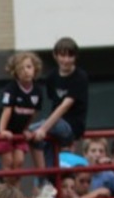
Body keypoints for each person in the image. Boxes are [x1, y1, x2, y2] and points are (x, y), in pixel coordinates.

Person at [31, 37, 88, 179]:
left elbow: (65, 106)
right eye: (62, 55)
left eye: (70, 56)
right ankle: (45, 180)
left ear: (75, 57)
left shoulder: (80, 77)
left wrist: (43, 129)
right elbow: (54, 102)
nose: (66, 60)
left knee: (32, 131)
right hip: (55, 125)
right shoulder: (52, 77)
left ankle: (43, 178)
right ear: (55, 56)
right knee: (50, 164)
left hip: (71, 126)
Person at [0, 51, 44, 187]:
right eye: (21, 68)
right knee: (8, 161)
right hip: (4, 128)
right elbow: (7, 111)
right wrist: (2, 130)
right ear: (15, 72)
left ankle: (15, 190)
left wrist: (26, 129)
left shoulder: (37, 91)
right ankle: (7, 191)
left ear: (35, 69)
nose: (26, 71)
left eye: (29, 67)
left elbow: (33, 113)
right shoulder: (11, 88)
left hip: (18, 131)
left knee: (19, 161)